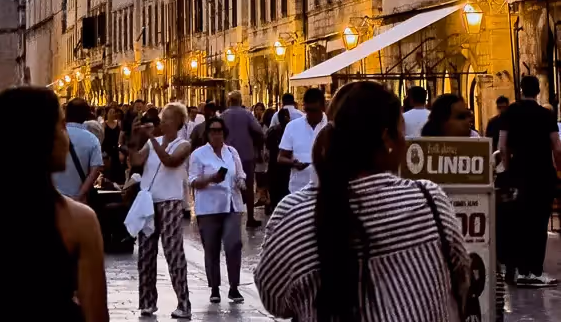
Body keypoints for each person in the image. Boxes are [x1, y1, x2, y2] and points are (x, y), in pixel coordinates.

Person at [255, 81, 471, 322]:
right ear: (387, 138)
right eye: (401, 132)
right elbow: (461, 278)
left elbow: (273, 298)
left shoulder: (293, 213)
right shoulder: (428, 201)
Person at [0, 86, 108, 321]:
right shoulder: (78, 220)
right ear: (36, 137)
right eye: (60, 126)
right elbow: (95, 315)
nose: (67, 137)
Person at [131, 102, 192, 319]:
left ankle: (184, 303)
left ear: (178, 122)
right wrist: (133, 138)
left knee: (173, 252)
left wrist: (151, 141)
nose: (162, 122)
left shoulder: (183, 144)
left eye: (167, 118)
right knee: (146, 253)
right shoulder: (153, 142)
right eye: (162, 118)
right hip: (149, 201)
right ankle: (147, 302)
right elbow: (136, 160)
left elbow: (170, 161)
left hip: (170, 202)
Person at [499, 75, 561, 287]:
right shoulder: (546, 115)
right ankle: (534, 270)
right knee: (539, 222)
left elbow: (503, 145)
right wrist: (558, 168)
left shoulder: (510, 113)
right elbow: (557, 146)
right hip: (542, 175)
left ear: (521, 90)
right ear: (537, 92)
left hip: (518, 173)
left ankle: (520, 270)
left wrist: (508, 168)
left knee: (519, 221)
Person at [188, 116, 246, 304]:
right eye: (213, 131)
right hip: (209, 207)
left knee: (233, 244)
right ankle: (214, 288)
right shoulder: (198, 154)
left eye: (219, 131)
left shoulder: (231, 152)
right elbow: (193, 181)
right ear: (207, 134)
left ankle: (234, 287)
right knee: (211, 248)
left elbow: (239, 173)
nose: (216, 134)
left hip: (231, 204)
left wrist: (241, 181)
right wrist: (211, 178)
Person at [220, 90, 264, 226]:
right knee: (249, 186)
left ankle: (227, 216)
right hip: (246, 155)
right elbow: (258, 130)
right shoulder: (247, 115)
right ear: (240, 101)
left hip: (226, 155)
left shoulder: (223, 116)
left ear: (229, 101)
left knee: (226, 186)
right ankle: (250, 218)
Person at [278, 88, 327, 194]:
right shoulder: (293, 126)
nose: (310, 114)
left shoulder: (331, 126)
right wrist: (293, 163)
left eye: (314, 111)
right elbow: (281, 157)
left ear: (323, 108)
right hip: (298, 189)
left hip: (326, 189)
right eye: (307, 110)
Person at [54, 98, 103, 202]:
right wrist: (79, 196)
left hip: (52, 198)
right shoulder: (92, 139)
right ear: (87, 115)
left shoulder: (54, 135)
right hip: (78, 200)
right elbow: (95, 170)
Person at [101, 105, 125, 185]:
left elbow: (121, 136)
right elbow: (102, 138)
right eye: (110, 112)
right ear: (107, 114)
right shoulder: (104, 125)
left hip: (116, 149)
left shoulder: (118, 123)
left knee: (117, 167)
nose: (112, 114)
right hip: (107, 149)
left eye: (113, 112)